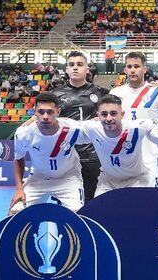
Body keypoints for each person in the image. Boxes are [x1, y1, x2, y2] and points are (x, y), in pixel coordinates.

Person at [9, 92, 85, 215]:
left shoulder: (74, 129)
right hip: (38, 179)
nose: (45, 116)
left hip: (68, 178)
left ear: (58, 112)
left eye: (50, 112)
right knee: (14, 213)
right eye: (41, 112)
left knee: (76, 217)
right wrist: (18, 189)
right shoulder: (23, 133)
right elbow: (18, 158)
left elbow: (98, 129)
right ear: (34, 112)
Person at [51, 51, 110, 203]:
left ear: (87, 69)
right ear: (66, 70)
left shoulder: (101, 93)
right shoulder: (55, 95)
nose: (75, 68)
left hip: (93, 155)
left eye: (79, 64)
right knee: (65, 201)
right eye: (71, 65)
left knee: (93, 201)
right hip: (66, 156)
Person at [109, 51, 158, 187]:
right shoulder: (115, 93)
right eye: (129, 67)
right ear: (125, 69)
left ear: (145, 69)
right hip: (122, 153)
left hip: (149, 155)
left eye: (136, 66)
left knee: (150, 200)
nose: (132, 70)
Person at [79, 94, 156, 196]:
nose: (109, 118)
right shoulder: (92, 128)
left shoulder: (137, 127)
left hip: (137, 180)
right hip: (108, 181)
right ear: (98, 115)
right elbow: (67, 126)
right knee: (97, 211)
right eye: (104, 114)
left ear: (122, 114)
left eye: (113, 113)